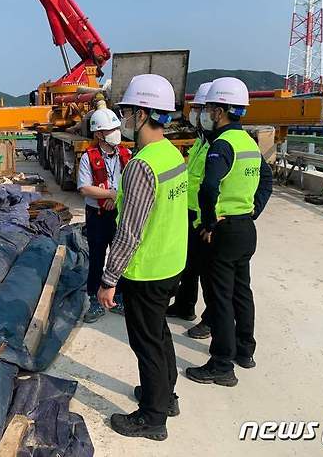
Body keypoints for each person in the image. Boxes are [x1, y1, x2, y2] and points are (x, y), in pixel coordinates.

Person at [97, 74, 187, 441]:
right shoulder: (172, 155)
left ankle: (152, 418)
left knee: (146, 343)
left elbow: (130, 230)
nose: (125, 119)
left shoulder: (141, 165)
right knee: (159, 335)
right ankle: (166, 396)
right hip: (171, 264)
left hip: (146, 268)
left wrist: (109, 278)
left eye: (128, 111)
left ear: (142, 113)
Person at [185, 77, 273, 387]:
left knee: (219, 298)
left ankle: (222, 363)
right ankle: (245, 350)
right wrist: (253, 210)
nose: (206, 113)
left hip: (222, 230)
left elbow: (209, 188)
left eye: (209, 108)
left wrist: (208, 223)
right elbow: (267, 178)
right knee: (241, 291)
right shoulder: (248, 142)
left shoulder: (221, 144)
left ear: (221, 110)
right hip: (245, 228)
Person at [166, 82, 213, 338]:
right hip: (191, 212)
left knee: (209, 273)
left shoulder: (220, 145)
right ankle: (185, 305)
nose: (196, 114)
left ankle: (210, 319)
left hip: (207, 218)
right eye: (195, 109)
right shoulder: (201, 141)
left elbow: (264, 179)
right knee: (189, 265)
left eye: (200, 109)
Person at [78, 108, 132, 323]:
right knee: (97, 258)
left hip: (118, 214)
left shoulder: (126, 155)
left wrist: (114, 198)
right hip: (97, 216)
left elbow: (129, 184)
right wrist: (111, 194)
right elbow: (85, 188)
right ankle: (94, 300)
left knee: (120, 256)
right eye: (110, 130)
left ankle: (118, 296)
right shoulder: (88, 157)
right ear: (99, 134)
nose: (115, 133)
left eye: (116, 129)